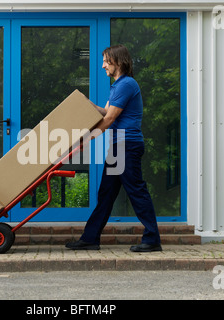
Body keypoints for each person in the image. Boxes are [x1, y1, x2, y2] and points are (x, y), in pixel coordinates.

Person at [66, 45, 162, 252]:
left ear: (117, 61)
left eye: (106, 61)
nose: (103, 66)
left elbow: (109, 118)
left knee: (136, 190)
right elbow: (105, 111)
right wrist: (86, 103)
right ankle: (90, 238)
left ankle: (152, 238)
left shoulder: (127, 84)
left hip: (127, 145)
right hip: (119, 146)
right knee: (106, 193)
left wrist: (87, 140)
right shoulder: (118, 85)